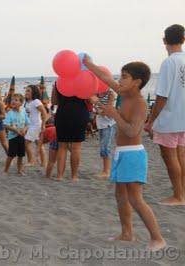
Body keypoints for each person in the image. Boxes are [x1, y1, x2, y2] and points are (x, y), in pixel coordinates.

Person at [84, 56, 166, 251]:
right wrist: (89, 65)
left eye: (124, 77)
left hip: (133, 154)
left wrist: (113, 114)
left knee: (135, 198)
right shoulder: (125, 94)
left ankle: (158, 238)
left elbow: (132, 131)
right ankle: (127, 233)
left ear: (136, 82)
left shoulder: (139, 103)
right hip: (121, 153)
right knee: (120, 196)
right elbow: (105, 77)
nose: (119, 81)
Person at [145, 24, 185, 206]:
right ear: (183, 40)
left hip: (170, 118)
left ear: (164, 40)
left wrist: (151, 120)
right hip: (183, 117)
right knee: (181, 156)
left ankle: (178, 196)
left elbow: (162, 96)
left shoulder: (169, 62)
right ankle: (182, 193)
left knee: (170, 157)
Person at [52, 82, 88, 181]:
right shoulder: (83, 79)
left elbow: (54, 101)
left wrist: (55, 88)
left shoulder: (59, 81)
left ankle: (60, 176)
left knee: (62, 146)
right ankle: (74, 176)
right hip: (79, 112)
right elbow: (90, 100)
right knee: (76, 147)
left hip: (63, 113)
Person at [91, 89, 117, 179]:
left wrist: (98, 103)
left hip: (108, 124)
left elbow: (108, 111)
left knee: (106, 148)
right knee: (103, 148)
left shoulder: (110, 94)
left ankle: (107, 171)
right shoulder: (96, 93)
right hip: (100, 124)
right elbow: (96, 109)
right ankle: (105, 170)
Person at [3, 93, 29, 175]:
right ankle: (6, 170)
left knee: (21, 155)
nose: (13, 101)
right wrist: (15, 130)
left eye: (16, 100)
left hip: (22, 137)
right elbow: (6, 124)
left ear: (21, 103)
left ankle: (19, 170)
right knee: (11, 155)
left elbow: (28, 123)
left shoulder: (23, 111)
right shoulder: (10, 113)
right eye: (12, 100)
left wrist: (24, 130)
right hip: (13, 138)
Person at [24, 85, 48, 167]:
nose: (26, 92)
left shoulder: (36, 101)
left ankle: (31, 161)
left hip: (36, 125)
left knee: (26, 143)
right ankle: (43, 163)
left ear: (33, 92)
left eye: (28, 91)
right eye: (26, 91)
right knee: (39, 144)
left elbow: (44, 113)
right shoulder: (27, 102)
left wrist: (43, 125)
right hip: (30, 125)